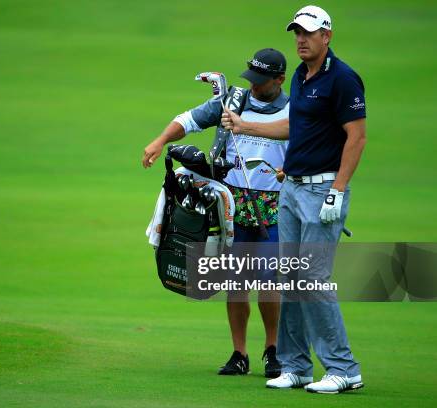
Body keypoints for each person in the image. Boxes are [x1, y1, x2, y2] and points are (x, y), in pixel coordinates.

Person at [221, 5, 366, 393]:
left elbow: (357, 137)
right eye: (296, 33)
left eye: (308, 33)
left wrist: (337, 190)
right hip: (293, 188)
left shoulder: (343, 79)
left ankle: (343, 369)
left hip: (323, 189)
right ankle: (297, 365)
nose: (301, 39)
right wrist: (245, 123)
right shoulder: (302, 77)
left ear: (327, 36)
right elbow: (294, 126)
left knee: (313, 279)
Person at [142, 48, 290, 378]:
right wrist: (160, 140)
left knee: (269, 281)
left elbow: (307, 150)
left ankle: (273, 350)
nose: (254, 86)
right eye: (251, 78)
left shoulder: (294, 110)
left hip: (274, 206)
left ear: (279, 80)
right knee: (236, 281)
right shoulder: (232, 100)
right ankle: (239, 354)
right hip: (230, 205)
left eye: (262, 81)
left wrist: (288, 170)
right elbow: (189, 119)